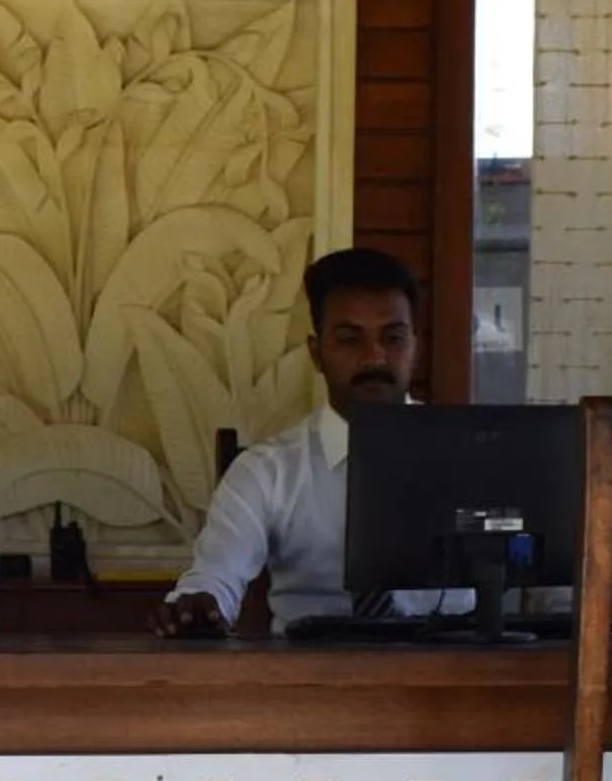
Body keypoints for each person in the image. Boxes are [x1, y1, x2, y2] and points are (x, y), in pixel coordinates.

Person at [153, 246, 450, 636]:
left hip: (456, 668)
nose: (374, 357)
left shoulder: (470, 458)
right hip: (310, 670)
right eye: (350, 339)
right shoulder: (267, 471)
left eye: (393, 338)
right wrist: (197, 605)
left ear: (415, 347)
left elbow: (534, 582)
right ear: (316, 353)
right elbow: (215, 576)